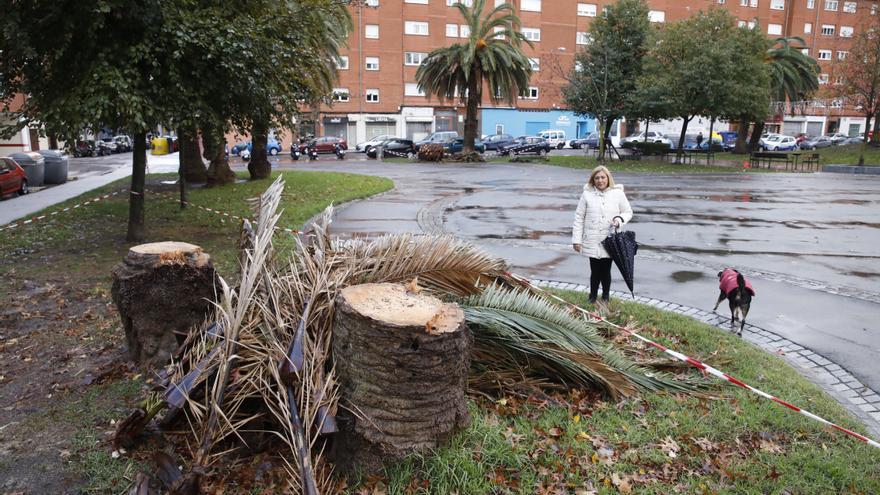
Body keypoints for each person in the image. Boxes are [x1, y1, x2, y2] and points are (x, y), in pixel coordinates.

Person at [571, 165, 633, 303]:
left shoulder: (618, 193)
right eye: (597, 178)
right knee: (594, 270)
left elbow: (628, 212)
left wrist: (619, 220)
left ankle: (605, 296)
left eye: (603, 177)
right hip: (592, 239)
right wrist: (577, 240)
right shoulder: (587, 194)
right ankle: (592, 296)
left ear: (608, 178)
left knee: (606, 270)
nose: (600, 180)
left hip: (609, 240)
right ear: (593, 180)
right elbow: (579, 217)